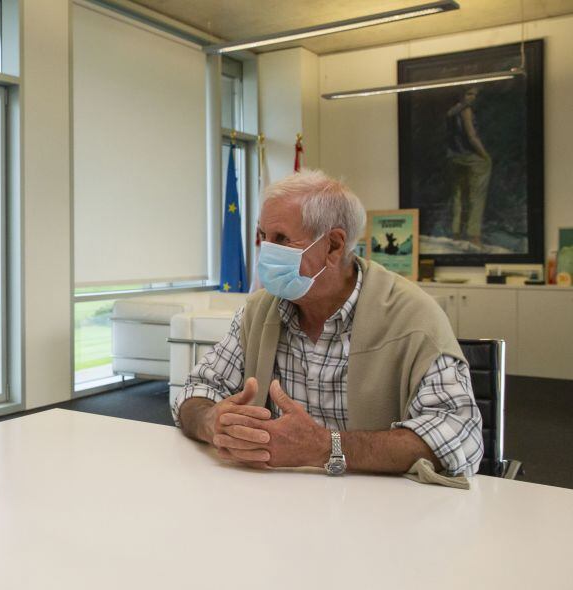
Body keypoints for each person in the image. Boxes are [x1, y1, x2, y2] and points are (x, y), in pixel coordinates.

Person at [174, 170, 483, 485]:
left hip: (380, 513)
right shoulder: (259, 311)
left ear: (334, 246)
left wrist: (325, 447)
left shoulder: (413, 317)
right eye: (262, 236)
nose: (265, 251)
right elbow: (194, 392)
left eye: (280, 238)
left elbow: (460, 435)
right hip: (272, 505)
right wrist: (212, 420)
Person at [446, 87, 491, 250]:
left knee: (458, 196)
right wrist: (485, 155)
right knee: (476, 196)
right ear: (462, 95)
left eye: (475, 95)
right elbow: (472, 137)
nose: (473, 97)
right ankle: (474, 235)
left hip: (453, 157)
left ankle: (456, 231)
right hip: (470, 157)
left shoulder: (451, 112)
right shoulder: (466, 111)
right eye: (470, 94)